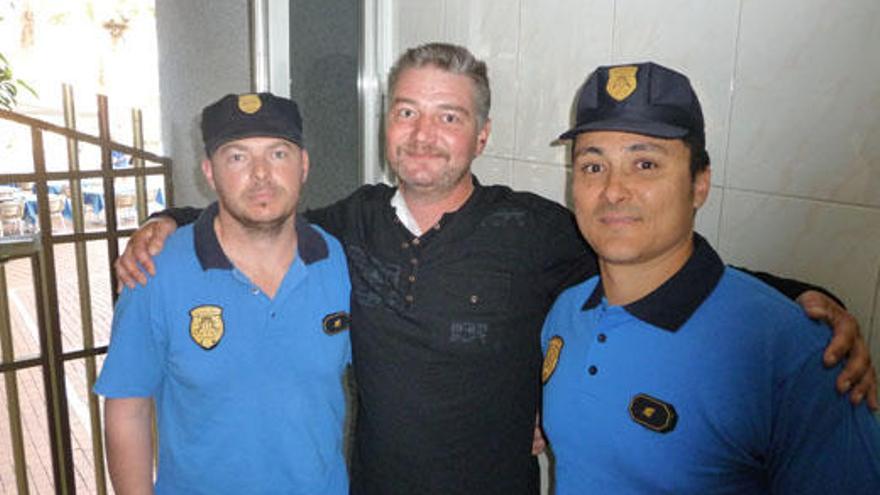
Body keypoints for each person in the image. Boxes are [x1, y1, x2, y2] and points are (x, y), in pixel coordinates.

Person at [114, 44, 875, 494]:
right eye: (407, 110)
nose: (424, 134)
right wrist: (172, 221)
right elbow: (261, 211)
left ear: (482, 136)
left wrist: (806, 300)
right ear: (386, 127)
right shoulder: (350, 224)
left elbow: (652, 254)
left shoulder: (538, 229)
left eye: (450, 116)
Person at [541, 62, 880, 493]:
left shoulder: (796, 354)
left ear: (699, 184)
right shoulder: (565, 314)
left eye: (644, 164)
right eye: (592, 166)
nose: (613, 190)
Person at [95, 93, 351, 494]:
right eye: (238, 157)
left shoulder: (337, 260)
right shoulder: (155, 272)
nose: (262, 174)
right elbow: (128, 408)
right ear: (209, 173)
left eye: (278, 154)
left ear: (303, 165)